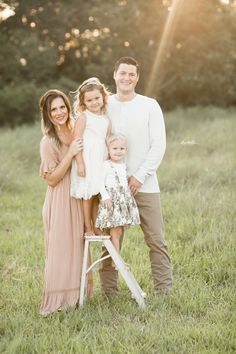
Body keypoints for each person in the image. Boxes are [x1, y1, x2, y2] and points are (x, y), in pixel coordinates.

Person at [99, 56, 172, 296]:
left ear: (137, 77)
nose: (126, 78)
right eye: (122, 73)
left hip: (145, 184)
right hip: (112, 188)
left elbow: (158, 144)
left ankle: (164, 292)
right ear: (115, 75)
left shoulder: (149, 105)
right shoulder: (105, 105)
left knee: (156, 240)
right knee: (110, 241)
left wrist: (139, 176)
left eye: (131, 74)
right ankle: (109, 293)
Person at [39, 89, 92, 316]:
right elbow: (51, 179)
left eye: (62, 107)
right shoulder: (48, 141)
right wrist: (70, 154)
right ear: (48, 115)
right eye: (54, 110)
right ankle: (60, 300)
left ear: (68, 108)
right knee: (62, 251)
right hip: (60, 200)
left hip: (79, 198)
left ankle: (80, 296)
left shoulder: (77, 129)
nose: (59, 112)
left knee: (79, 248)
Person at [70, 77, 111, 235]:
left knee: (95, 194)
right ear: (83, 103)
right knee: (87, 195)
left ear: (103, 97)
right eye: (89, 100)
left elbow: (107, 140)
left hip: (100, 160)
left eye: (97, 98)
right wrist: (80, 163)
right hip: (87, 159)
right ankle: (88, 226)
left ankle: (96, 226)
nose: (94, 102)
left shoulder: (106, 119)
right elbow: (77, 140)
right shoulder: (83, 117)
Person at [95, 134, 140, 268]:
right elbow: (99, 182)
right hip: (112, 202)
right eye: (115, 148)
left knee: (118, 232)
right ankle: (116, 261)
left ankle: (116, 259)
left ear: (126, 150)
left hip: (122, 202)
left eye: (122, 148)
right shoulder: (106, 165)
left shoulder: (123, 165)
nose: (118, 151)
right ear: (108, 150)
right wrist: (105, 196)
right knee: (115, 232)